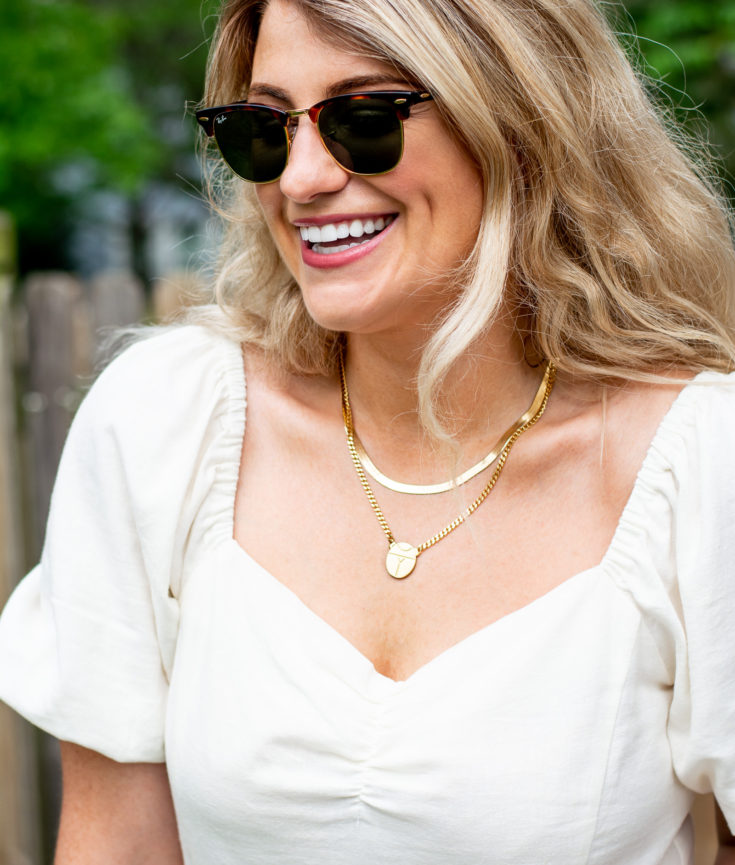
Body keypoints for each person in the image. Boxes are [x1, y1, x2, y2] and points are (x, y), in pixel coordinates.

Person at [1, 0, 735, 861]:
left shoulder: (695, 465)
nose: (300, 178)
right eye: (263, 128)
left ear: (520, 125)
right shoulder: (166, 424)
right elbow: (113, 846)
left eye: (362, 118)